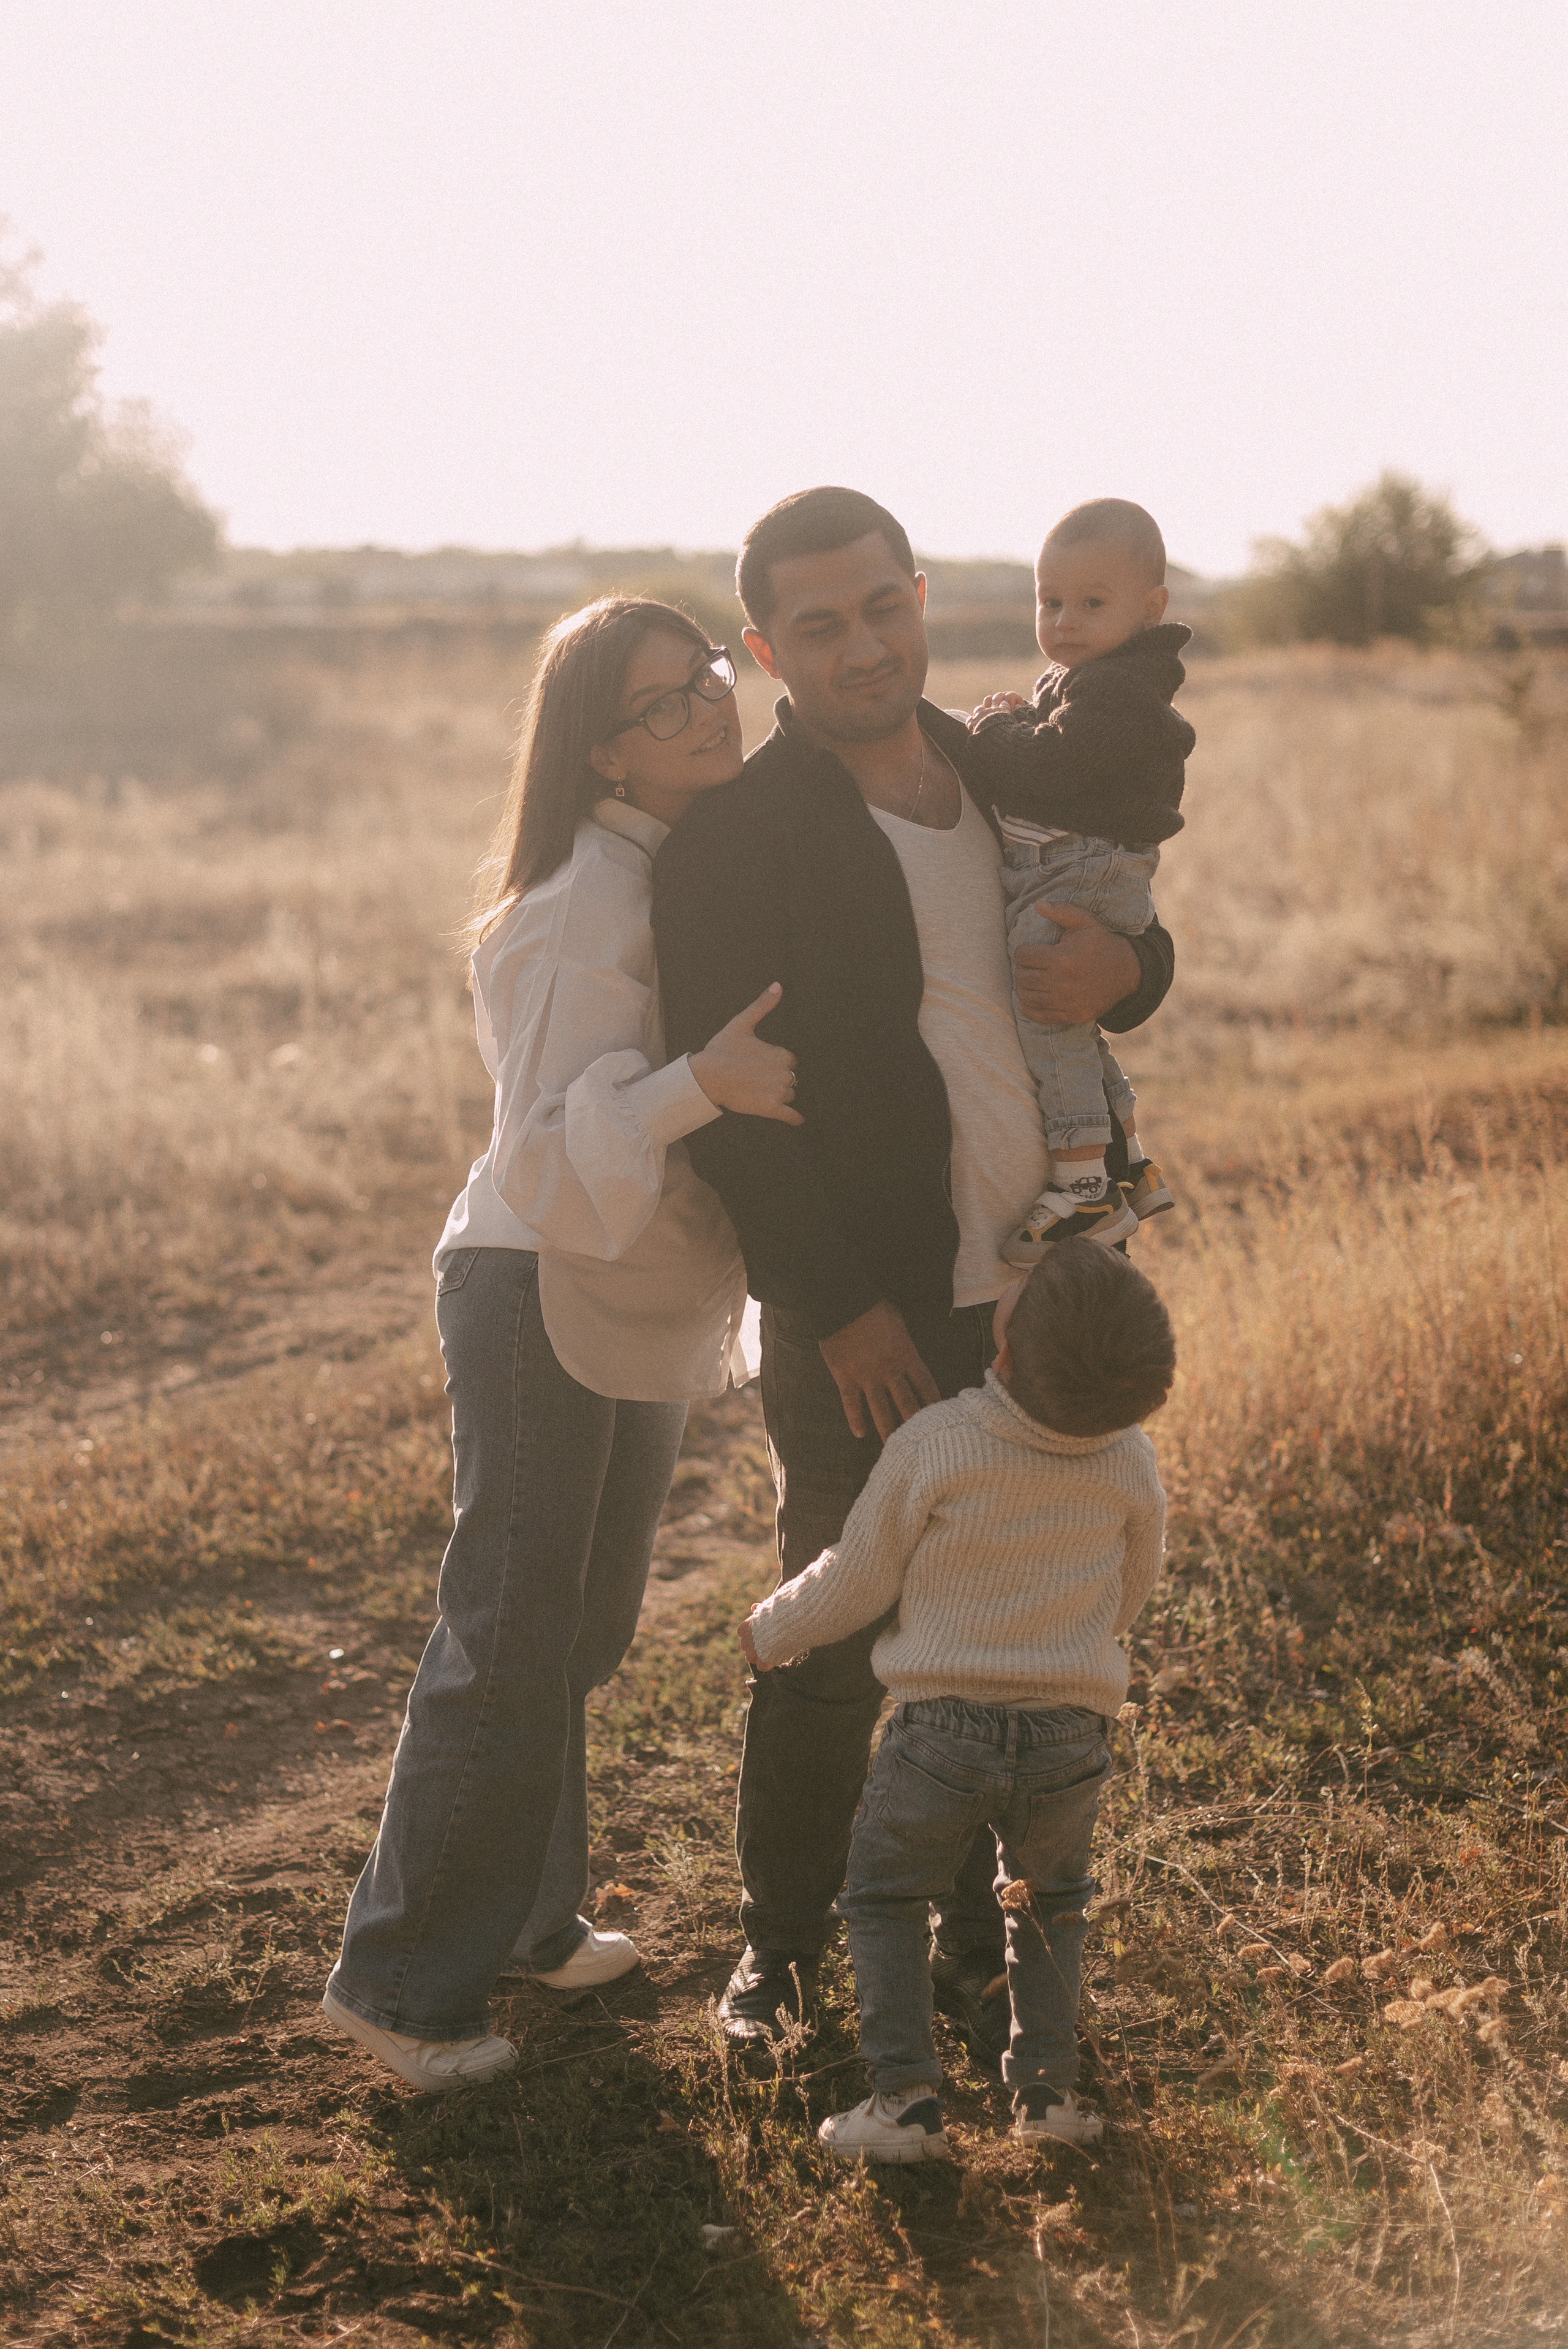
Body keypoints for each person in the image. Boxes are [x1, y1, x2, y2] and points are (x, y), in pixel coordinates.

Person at [651, 488, 1174, 2063]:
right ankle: (783, 1947)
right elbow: (740, 1115)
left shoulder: (1014, 760)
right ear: (765, 650)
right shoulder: (734, 839)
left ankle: (968, 1944)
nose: (861, 642)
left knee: (1006, 1635)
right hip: (863, 1310)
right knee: (831, 1631)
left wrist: (1133, 972)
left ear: (922, 595)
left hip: (1043, 1286)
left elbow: (1113, 928)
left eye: (882, 605)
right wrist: (839, 1305)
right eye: (816, 624)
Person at [322, 598, 801, 2090]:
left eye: (707, 677)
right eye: (662, 702)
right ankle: (401, 1983)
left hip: (617, 1277)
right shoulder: (583, 895)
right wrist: (696, 1084)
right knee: (511, 1633)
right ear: (598, 747)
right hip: (535, 1284)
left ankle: (525, 1918)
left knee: (579, 1631)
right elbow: (536, 1150)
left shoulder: (668, 860)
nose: (706, 708)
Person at [738, 1240, 1174, 2162]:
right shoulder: (1129, 1458)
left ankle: (904, 2099)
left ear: (1002, 1352)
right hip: (1069, 1737)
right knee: (1051, 1903)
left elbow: (857, 1577)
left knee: (887, 1898)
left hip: (941, 1733)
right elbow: (1132, 1586)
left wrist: (774, 1628)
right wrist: (1069, 1644)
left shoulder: (936, 1442)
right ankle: (1047, 2093)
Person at [965, 498, 1193, 1265]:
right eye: (1050, 601)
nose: (1065, 620)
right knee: (1074, 1024)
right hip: (1084, 864)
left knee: (1047, 1009)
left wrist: (995, 728)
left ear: (1149, 608)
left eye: (1092, 604)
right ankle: (1124, 1150)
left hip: (1082, 869)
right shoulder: (1085, 678)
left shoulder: (1117, 691)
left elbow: (1047, 767)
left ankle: (1081, 1186)